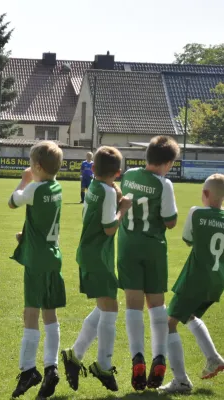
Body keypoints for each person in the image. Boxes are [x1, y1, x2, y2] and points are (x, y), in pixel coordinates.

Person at [61, 146, 132, 393]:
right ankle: (102, 365)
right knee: (110, 307)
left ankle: (75, 354)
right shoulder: (107, 191)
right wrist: (123, 208)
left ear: (92, 168)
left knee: (105, 307)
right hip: (97, 256)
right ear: (118, 172)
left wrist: (116, 196)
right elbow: (110, 227)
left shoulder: (93, 186)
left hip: (92, 253)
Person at [117, 135, 179, 391]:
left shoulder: (129, 175)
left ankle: (137, 357)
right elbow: (170, 221)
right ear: (167, 163)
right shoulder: (164, 185)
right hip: (154, 248)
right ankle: (160, 357)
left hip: (128, 247)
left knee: (133, 304)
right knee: (156, 304)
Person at [8, 141, 65, 399]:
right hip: (53, 256)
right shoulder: (57, 188)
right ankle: (51, 367)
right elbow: (45, 220)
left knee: (30, 314)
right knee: (49, 315)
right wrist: (28, 236)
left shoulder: (34, 189)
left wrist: (23, 181)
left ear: (38, 167)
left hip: (37, 261)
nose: (30, 168)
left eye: (31, 165)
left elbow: (12, 202)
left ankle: (28, 369)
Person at [159, 174, 224, 393]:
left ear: (205, 194)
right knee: (188, 315)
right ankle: (213, 357)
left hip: (195, 279)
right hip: (216, 282)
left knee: (168, 323)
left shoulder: (197, 212)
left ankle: (181, 380)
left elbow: (188, 239)